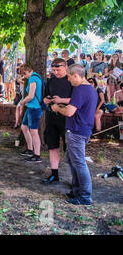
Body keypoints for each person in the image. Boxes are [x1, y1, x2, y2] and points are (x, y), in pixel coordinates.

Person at [51, 64, 98, 205]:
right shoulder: (90, 89)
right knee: (73, 161)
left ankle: (85, 196)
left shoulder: (80, 90)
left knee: (79, 163)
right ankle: (77, 191)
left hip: (77, 131)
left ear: (76, 75)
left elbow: (70, 112)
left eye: (70, 77)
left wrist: (57, 108)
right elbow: (75, 108)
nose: (69, 80)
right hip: (81, 130)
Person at [42, 58, 73, 184]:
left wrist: (61, 100)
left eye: (58, 69)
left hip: (67, 118)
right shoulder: (51, 81)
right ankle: (55, 174)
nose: (56, 72)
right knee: (52, 146)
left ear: (65, 67)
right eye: (53, 70)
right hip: (51, 117)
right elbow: (44, 97)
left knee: (69, 149)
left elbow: (76, 99)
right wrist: (47, 100)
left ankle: (74, 178)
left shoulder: (71, 80)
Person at [18, 64, 44, 163]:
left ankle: (37, 155)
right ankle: (30, 149)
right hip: (31, 107)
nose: (25, 77)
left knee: (34, 131)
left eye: (24, 75)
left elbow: (31, 95)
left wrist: (22, 102)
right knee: (24, 127)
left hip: (34, 108)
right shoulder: (36, 76)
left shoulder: (33, 78)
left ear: (26, 72)